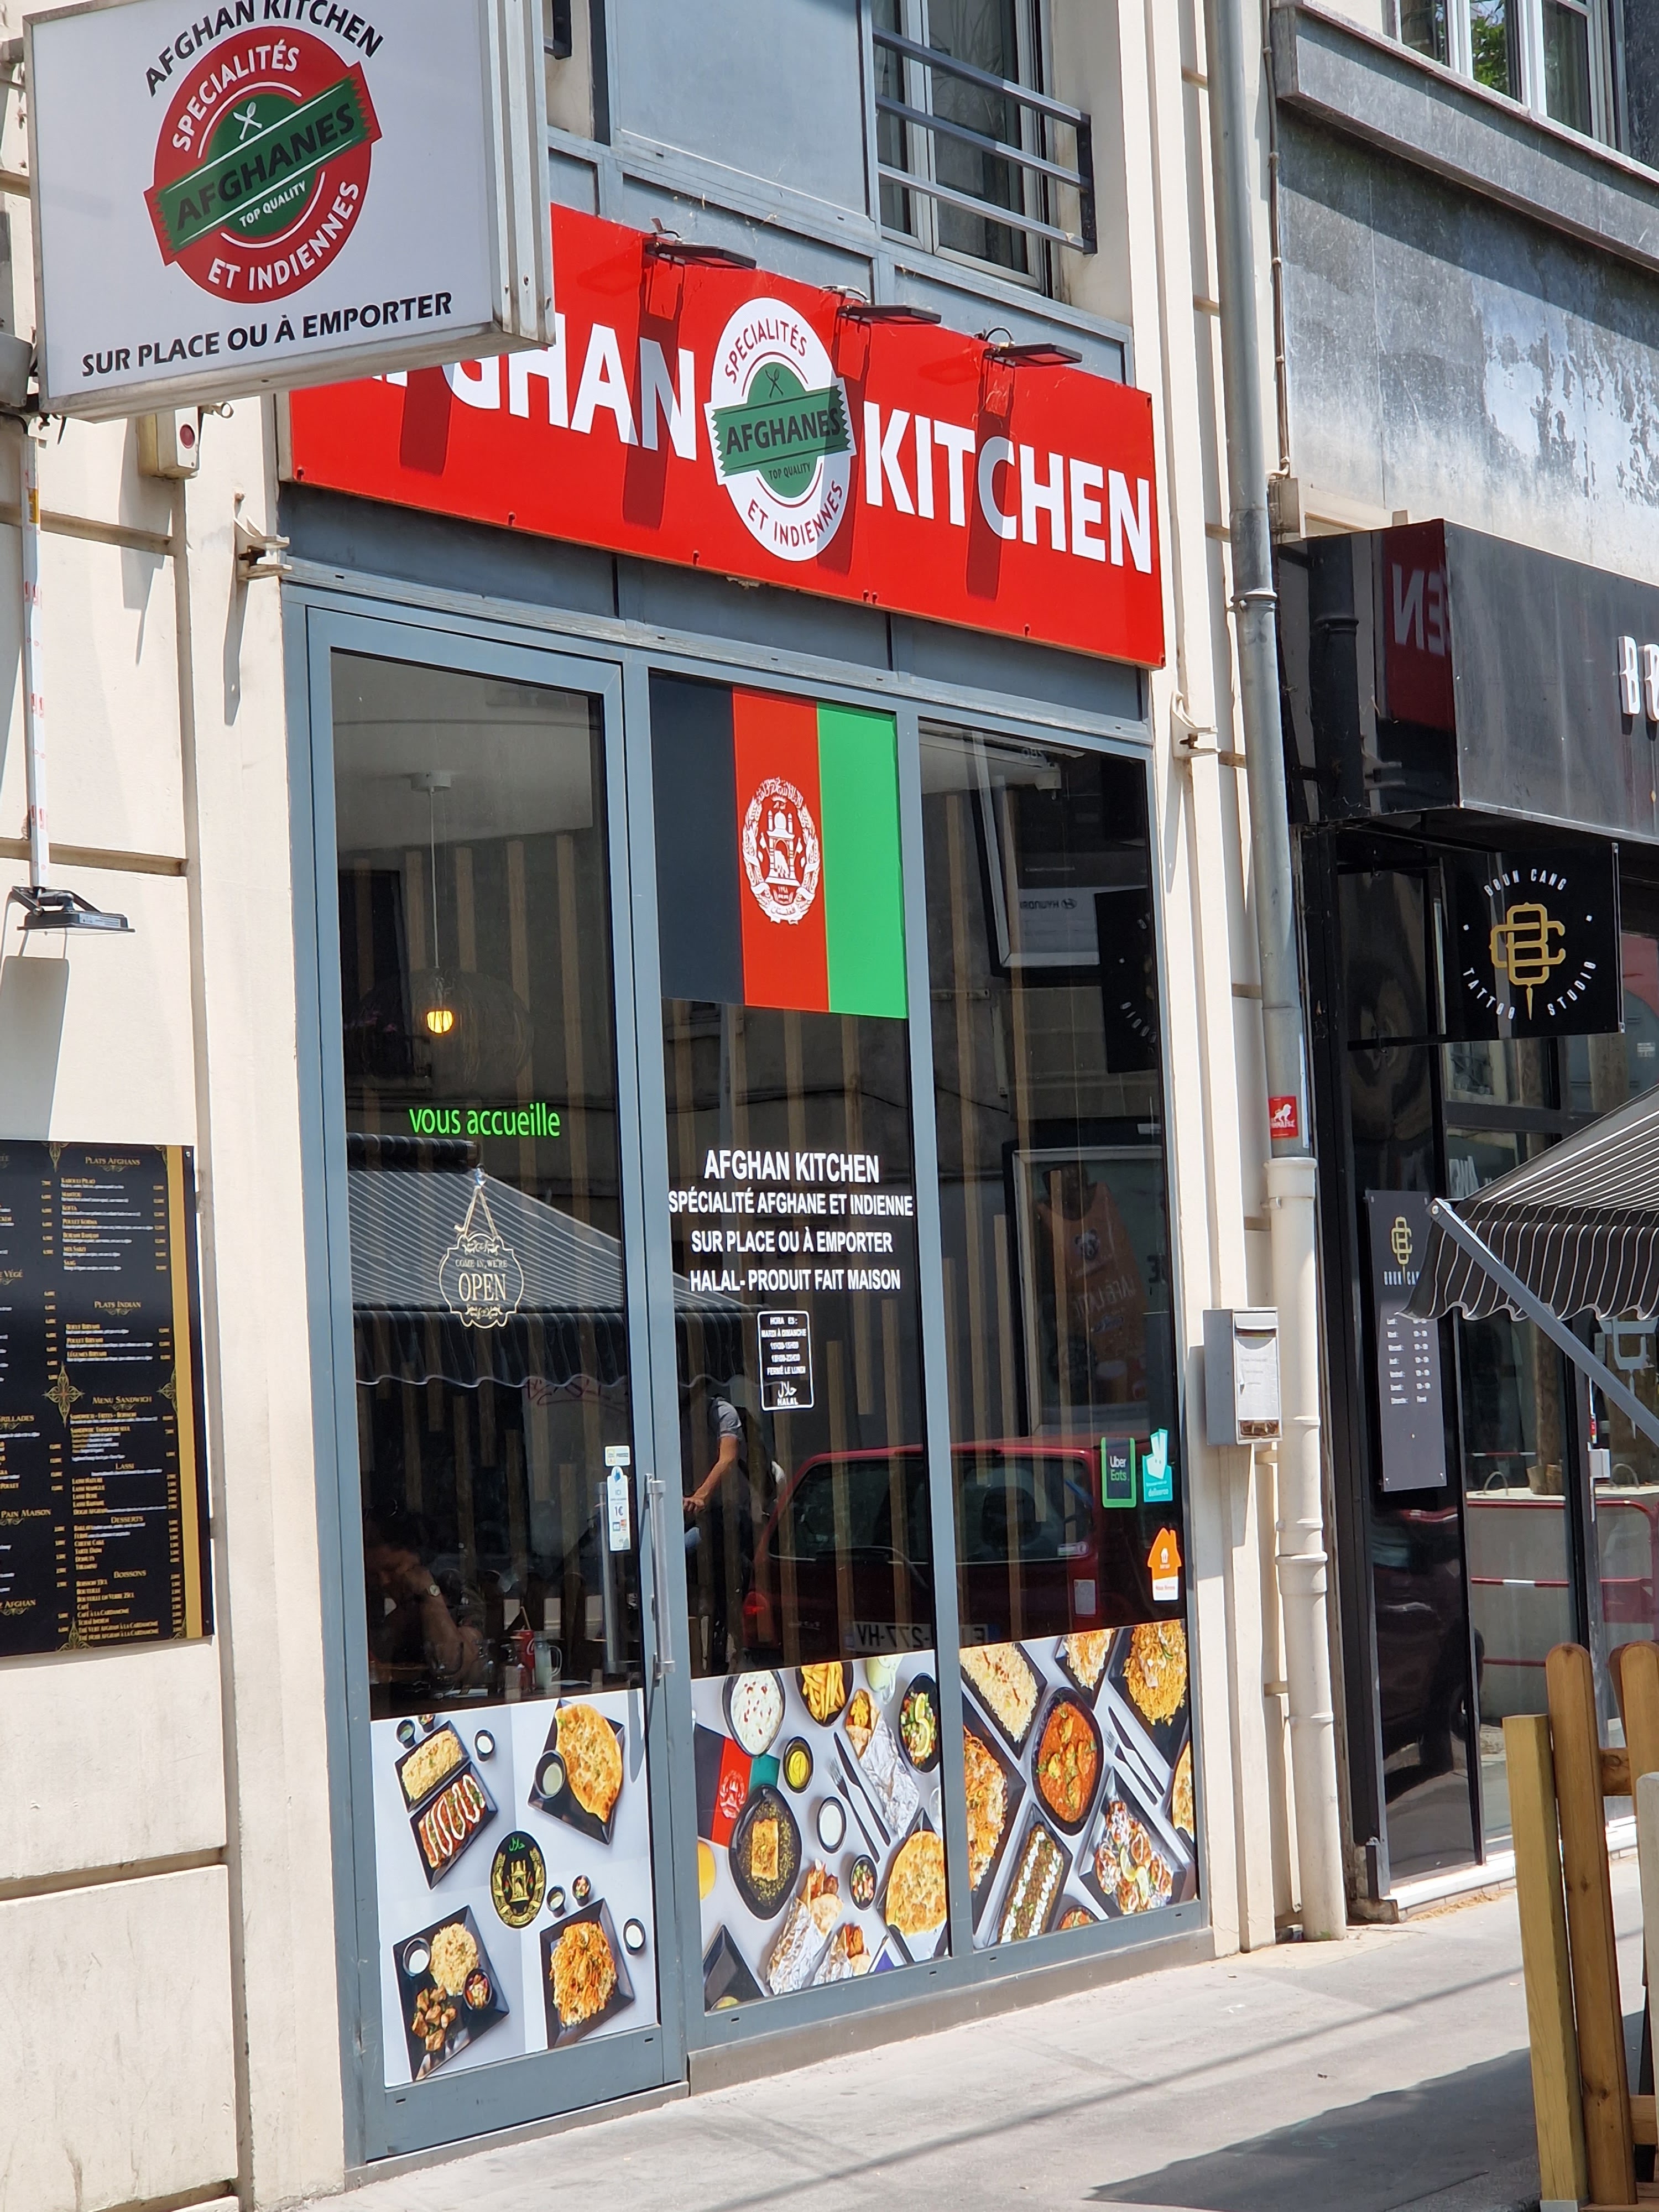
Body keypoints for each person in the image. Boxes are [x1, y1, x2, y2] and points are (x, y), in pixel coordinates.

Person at [363, 1510, 487, 1703]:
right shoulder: (376, 1600)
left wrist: (429, 1594)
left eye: (392, 1569)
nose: (384, 1582)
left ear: (419, 1560)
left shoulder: (455, 1590)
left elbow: (450, 1666)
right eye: (374, 1574)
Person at [685, 1383, 755, 1671]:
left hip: (726, 1511)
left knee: (694, 1556)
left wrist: (701, 1495)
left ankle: (733, 1647)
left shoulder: (722, 1413)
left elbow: (727, 1458)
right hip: (693, 1512)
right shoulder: (675, 1417)